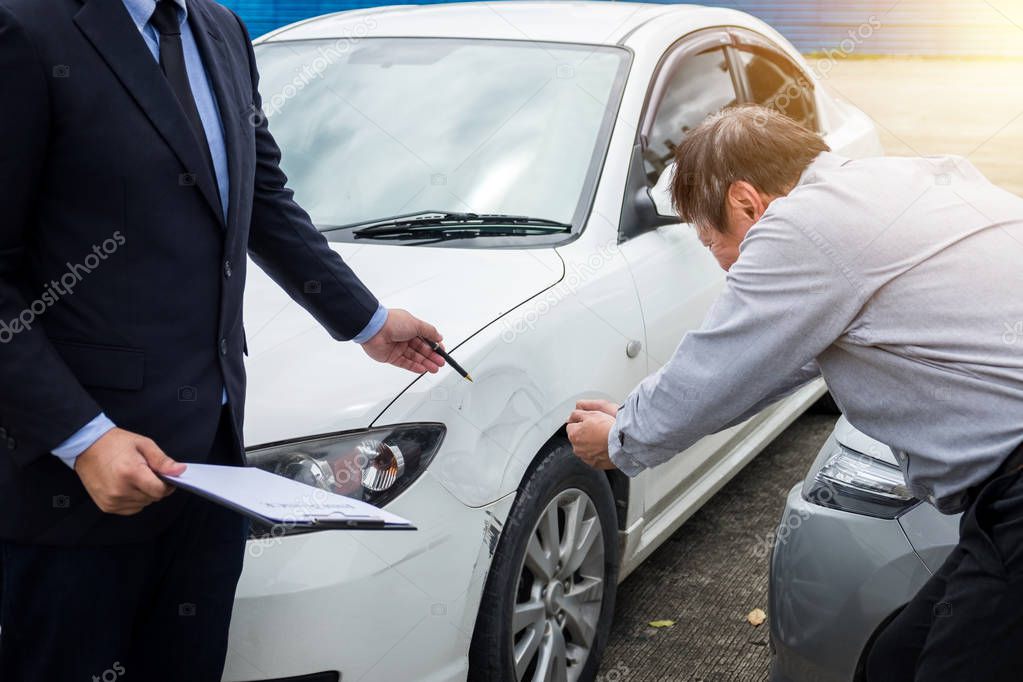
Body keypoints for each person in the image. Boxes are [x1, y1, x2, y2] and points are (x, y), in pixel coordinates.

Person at [0, 0, 445, 679]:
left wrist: (369, 322)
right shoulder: (25, 26)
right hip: (73, 489)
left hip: (211, 463)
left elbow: (260, 197)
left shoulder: (220, 28)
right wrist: (82, 436)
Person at [567, 105, 1023, 680]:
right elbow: (779, 359)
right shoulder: (908, 180)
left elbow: (719, 365)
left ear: (745, 203)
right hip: (999, 501)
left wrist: (622, 438)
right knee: (892, 663)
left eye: (713, 243)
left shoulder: (801, 226)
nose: (726, 268)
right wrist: (638, 420)